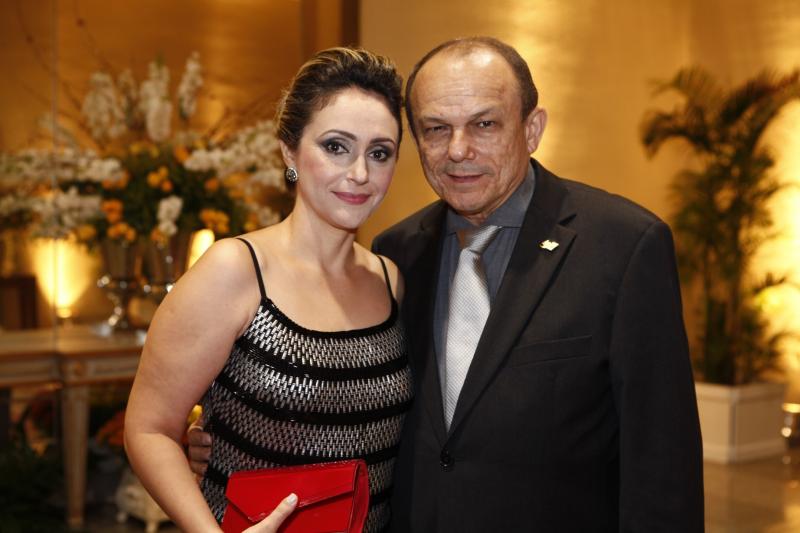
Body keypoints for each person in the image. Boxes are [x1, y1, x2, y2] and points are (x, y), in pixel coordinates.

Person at [191, 36, 705, 531]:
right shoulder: (397, 255)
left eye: (484, 124)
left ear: (531, 129)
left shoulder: (622, 247)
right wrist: (224, 435)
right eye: (436, 129)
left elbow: (664, 465)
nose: (458, 150)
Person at [124, 47, 412, 533]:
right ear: (289, 151)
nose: (360, 173)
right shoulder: (234, 270)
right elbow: (148, 428)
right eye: (336, 147)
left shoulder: (391, 280)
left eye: (379, 153)